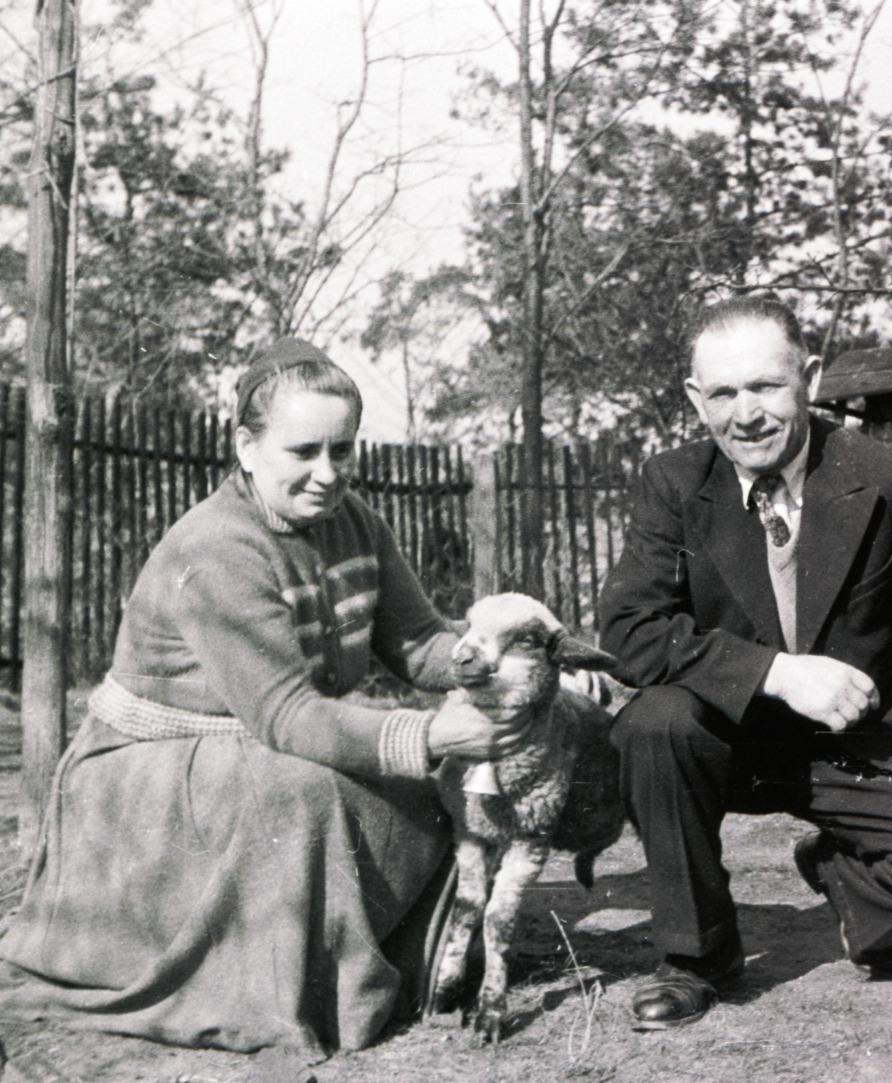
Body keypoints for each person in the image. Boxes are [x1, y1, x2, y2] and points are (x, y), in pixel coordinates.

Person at [0, 338, 525, 1054]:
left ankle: (419, 956)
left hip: (259, 741)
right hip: (148, 767)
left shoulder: (357, 522)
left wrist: (494, 663)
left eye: (342, 450)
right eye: (303, 450)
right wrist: (429, 735)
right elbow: (288, 716)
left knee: (415, 783)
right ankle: (291, 983)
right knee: (309, 794)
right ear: (246, 447)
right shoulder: (218, 547)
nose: (327, 473)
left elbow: (417, 642)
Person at [598, 296, 892, 1031]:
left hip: (863, 741)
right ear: (694, 399)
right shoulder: (673, 482)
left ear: (808, 377)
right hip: (732, 739)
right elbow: (629, 628)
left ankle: (842, 872)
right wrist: (776, 672)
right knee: (654, 721)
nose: (746, 414)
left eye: (765, 386)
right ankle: (695, 956)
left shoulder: (888, 476)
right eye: (724, 393)